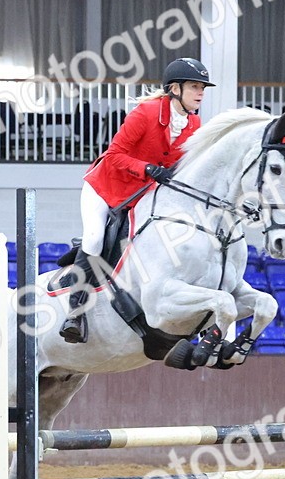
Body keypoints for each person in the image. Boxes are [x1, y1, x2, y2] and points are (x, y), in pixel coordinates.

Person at [59, 57, 214, 344]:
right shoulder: (145, 113)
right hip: (106, 186)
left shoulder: (194, 124)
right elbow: (115, 154)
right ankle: (75, 313)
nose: (201, 93)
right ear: (175, 89)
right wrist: (148, 169)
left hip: (141, 195)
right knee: (94, 239)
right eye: (195, 86)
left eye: (202, 87)